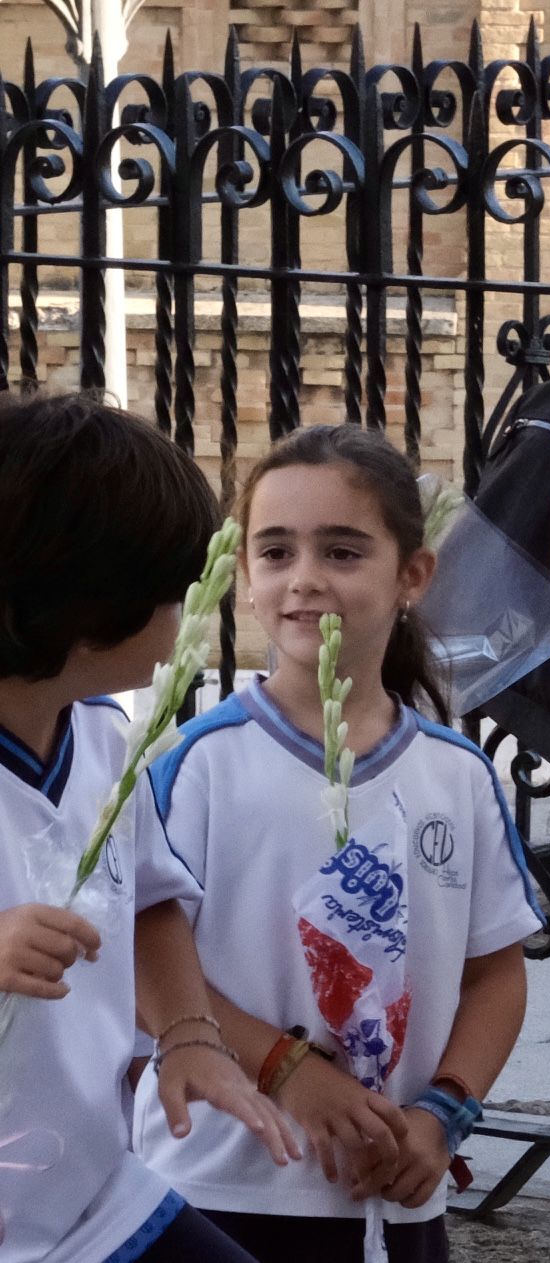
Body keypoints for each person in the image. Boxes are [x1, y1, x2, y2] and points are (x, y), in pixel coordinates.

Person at [137, 425, 543, 1263]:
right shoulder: (200, 764)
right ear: (242, 574)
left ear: (413, 576)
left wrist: (443, 1113)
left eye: (344, 551)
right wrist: (289, 1069)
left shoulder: (457, 775)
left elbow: (496, 971)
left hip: (393, 1198)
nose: (305, 579)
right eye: (276, 551)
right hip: (217, 1184)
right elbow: (146, 964)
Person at [0, 391, 297, 1263]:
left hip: (94, 1197)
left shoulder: (102, 740)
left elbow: (152, 903)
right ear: (85, 608)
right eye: (173, 592)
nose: (193, 618)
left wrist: (188, 1036)